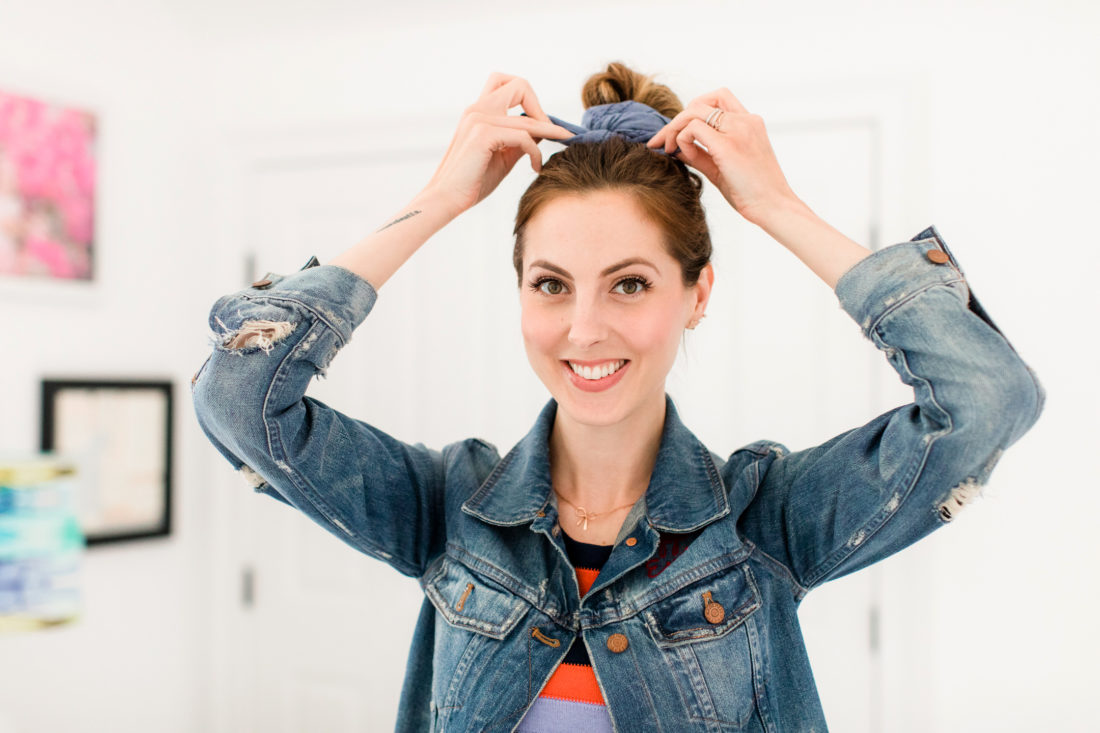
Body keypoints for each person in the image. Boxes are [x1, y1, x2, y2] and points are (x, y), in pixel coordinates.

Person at [191, 62, 1045, 732]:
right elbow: (241, 396)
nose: (585, 329)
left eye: (630, 284)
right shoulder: (449, 509)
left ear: (696, 294)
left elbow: (985, 396)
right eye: (552, 283)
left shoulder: (765, 522)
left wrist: (773, 203)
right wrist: (443, 196)